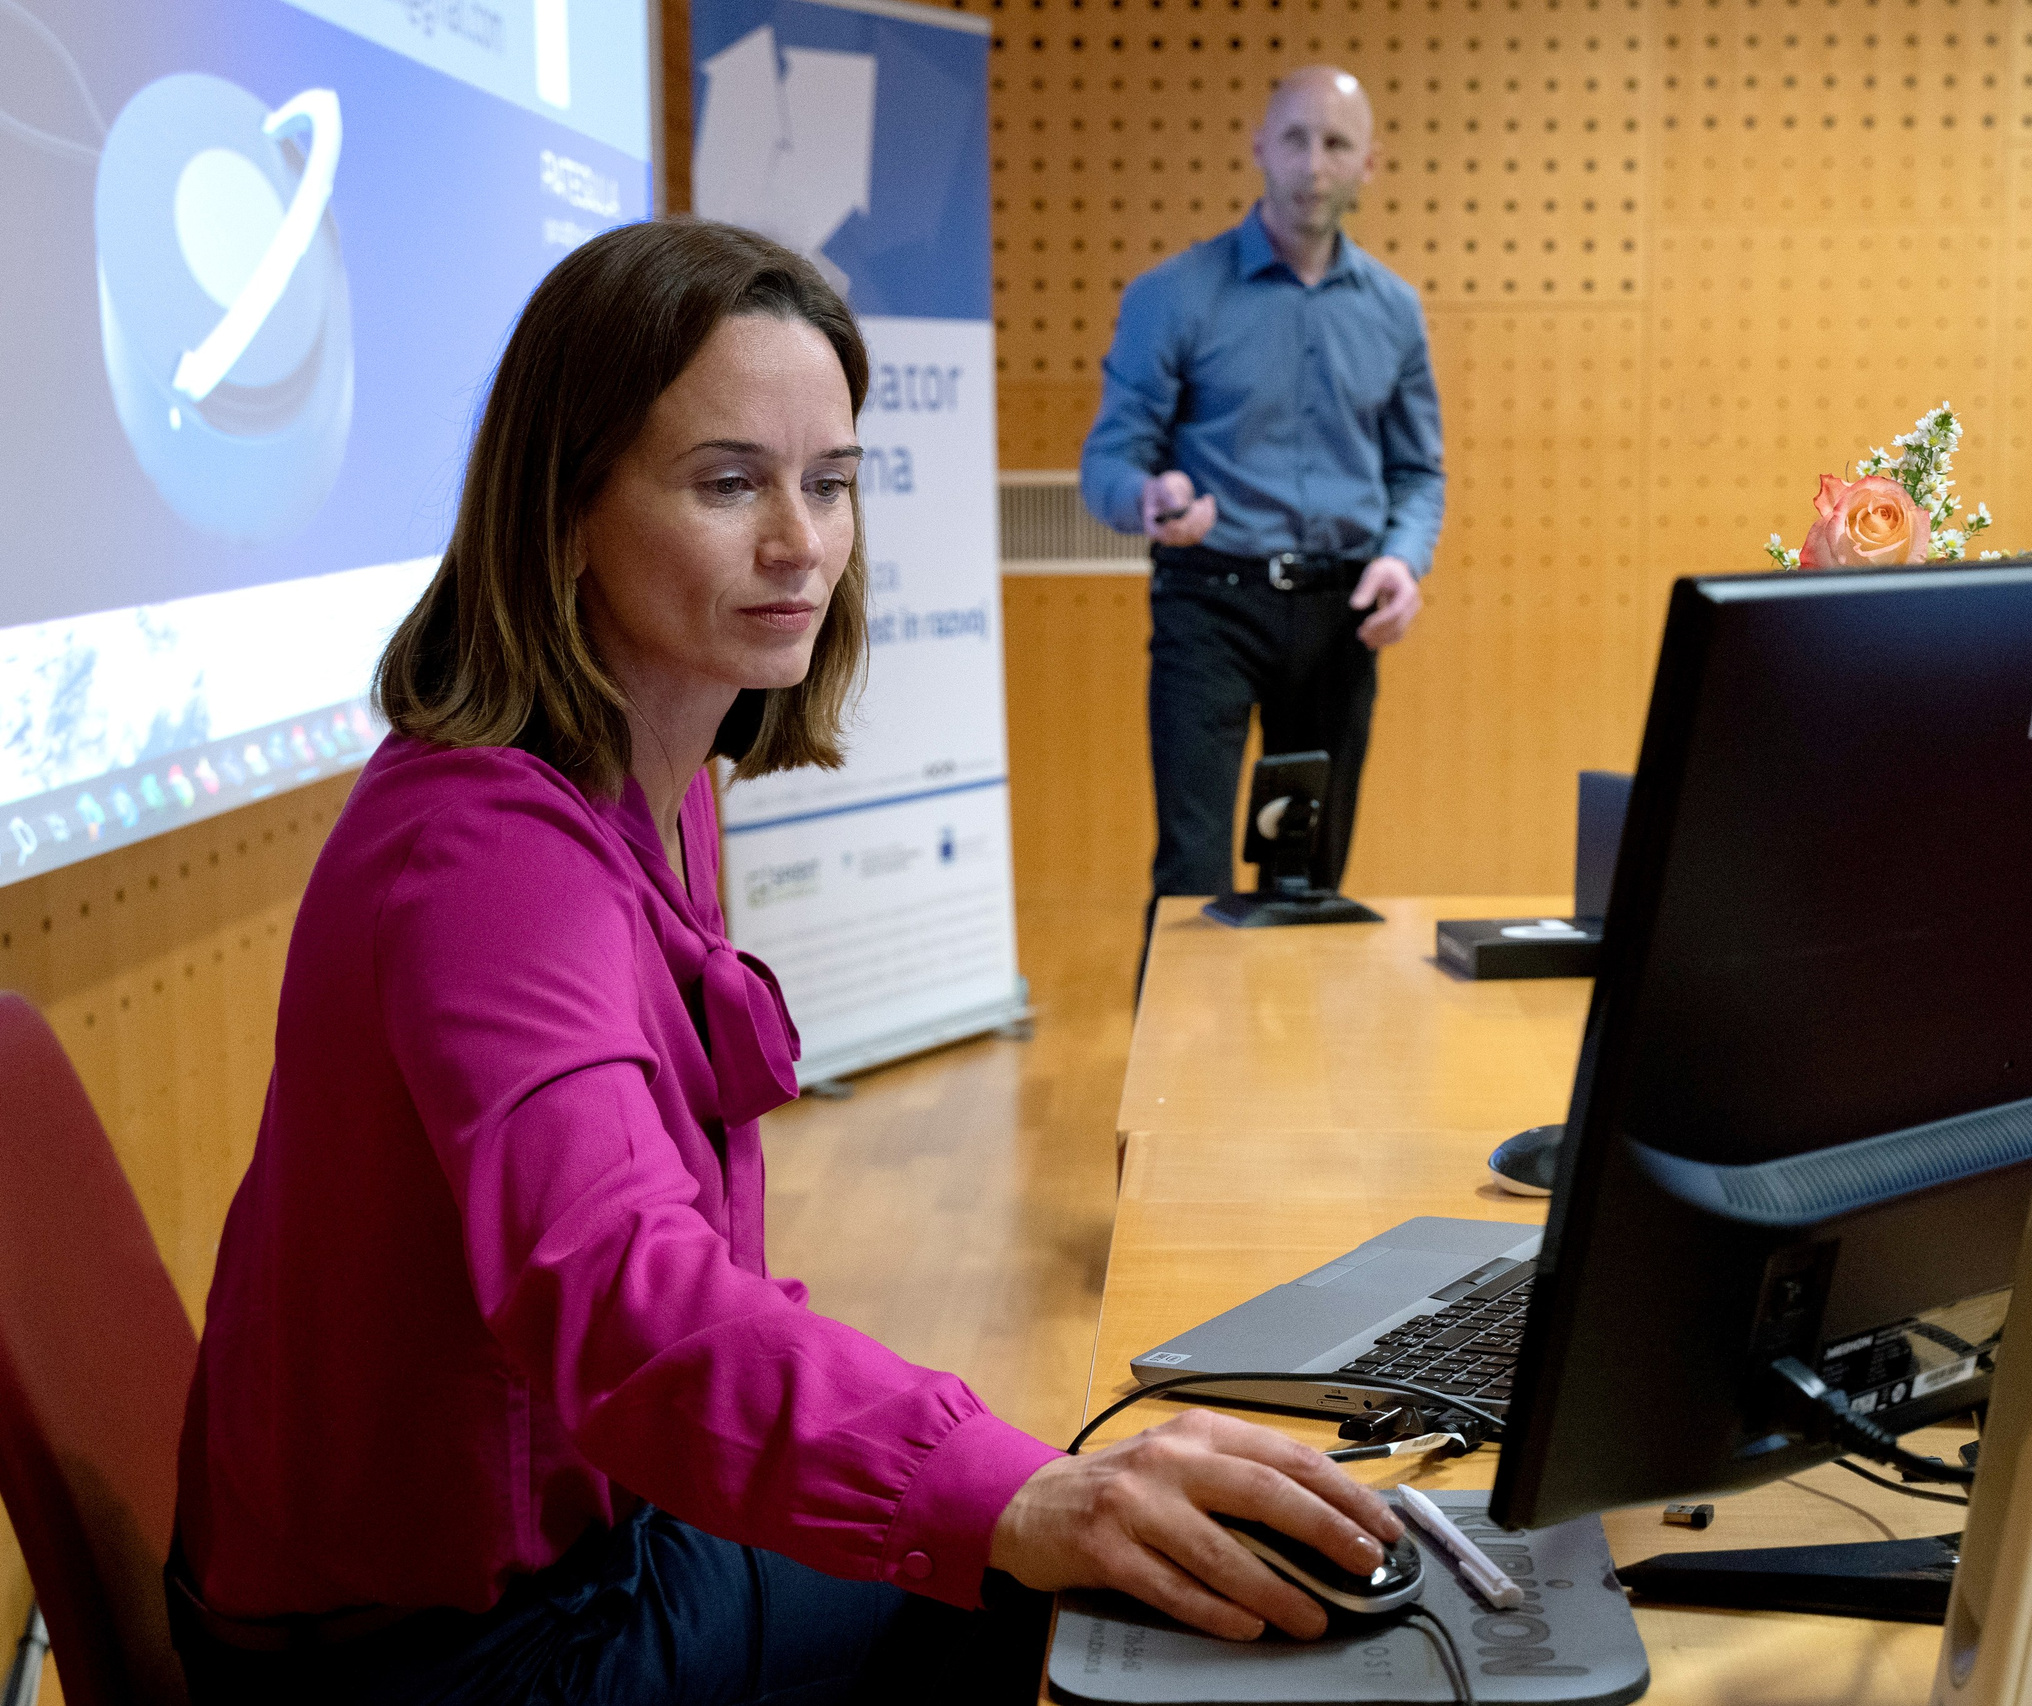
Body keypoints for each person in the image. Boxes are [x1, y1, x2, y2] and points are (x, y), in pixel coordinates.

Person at [168, 220, 1403, 1705]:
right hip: (433, 1653)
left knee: (1052, 1545)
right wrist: (1017, 1493)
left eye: (830, 483)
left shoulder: (655, 754)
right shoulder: (483, 860)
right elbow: (625, 1290)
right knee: (1054, 1588)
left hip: (581, 1543)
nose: (800, 541)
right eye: (729, 481)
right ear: (563, 505)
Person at [1080, 66, 1445, 910]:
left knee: (1310, 876)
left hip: (1342, 612)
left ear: (1369, 163)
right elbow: (1106, 462)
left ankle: (1297, 1049)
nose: (1313, 164)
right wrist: (1150, 498)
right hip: (1210, 603)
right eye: (1295, 139)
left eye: (1336, 144)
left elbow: (1418, 472)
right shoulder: (1170, 297)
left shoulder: (1395, 310)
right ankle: (1176, 1048)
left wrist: (1403, 560)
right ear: (1259, 148)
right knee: (1192, 876)